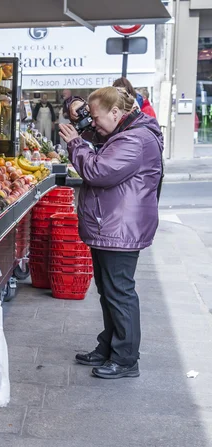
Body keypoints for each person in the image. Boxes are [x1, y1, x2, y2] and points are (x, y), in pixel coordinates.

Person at [59, 87, 164, 380]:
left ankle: (126, 358)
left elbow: (98, 171)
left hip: (121, 229)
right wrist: (76, 108)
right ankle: (109, 347)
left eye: (96, 116)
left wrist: (75, 144)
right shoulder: (127, 131)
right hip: (112, 225)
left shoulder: (135, 139)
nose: (93, 123)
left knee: (119, 292)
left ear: (116, 113)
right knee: (109, 291)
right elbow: (100, 138)